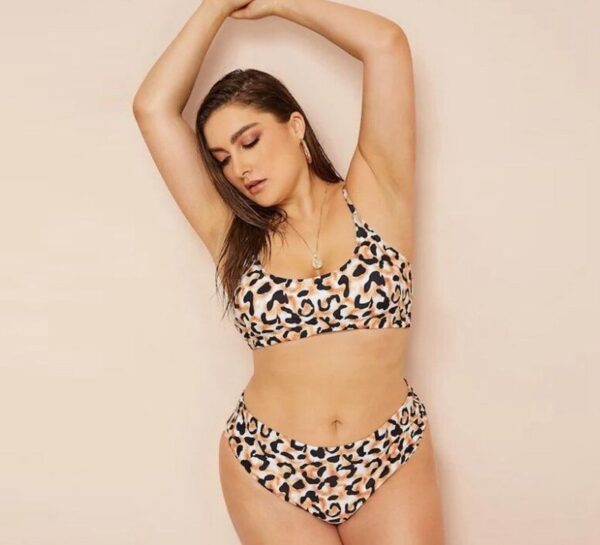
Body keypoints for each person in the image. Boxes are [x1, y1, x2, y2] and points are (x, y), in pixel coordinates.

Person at [133, 1, 445, 543]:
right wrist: (216, 7)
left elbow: (386, 44)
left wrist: (279, 2)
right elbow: (152, 107)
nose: (239, 167)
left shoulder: (378, 194)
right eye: (223, 158)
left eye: (249, 141)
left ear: (295, 125)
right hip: (269, 467)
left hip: (390, 454)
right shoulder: (232, 233)